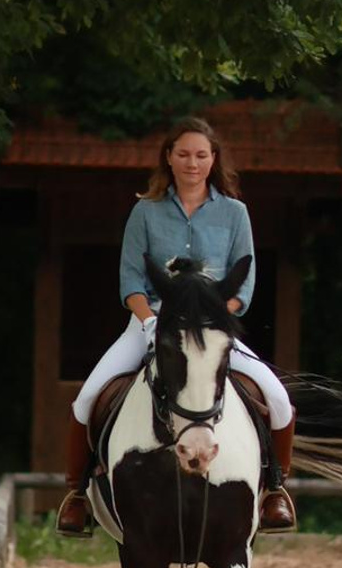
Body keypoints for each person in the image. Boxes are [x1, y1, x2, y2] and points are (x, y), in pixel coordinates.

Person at [55, 116, 297, 537]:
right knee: (88, 397)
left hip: (211, 327)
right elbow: (130, 280)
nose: (192, 163)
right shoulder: (144, 212)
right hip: (152, 322)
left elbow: (247, 283)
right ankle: (76, 495)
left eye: (201, 155)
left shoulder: (235, 213)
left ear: (213, 159)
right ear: (169, 157)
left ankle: (275, 489)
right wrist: (149, 322)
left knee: (278, 399)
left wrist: (219, 317)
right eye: (183, 154)